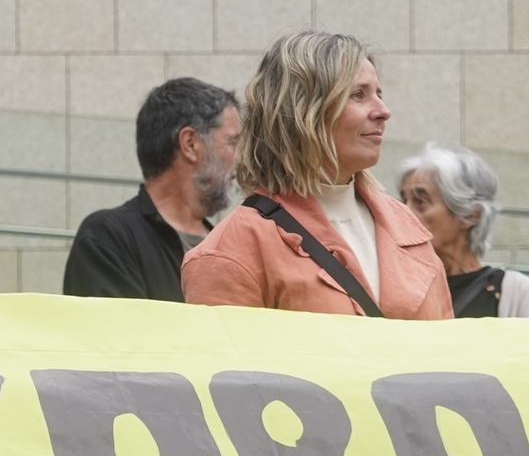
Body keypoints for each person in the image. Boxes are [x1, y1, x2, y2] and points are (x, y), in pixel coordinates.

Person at [182, 32, 453, 320]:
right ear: (301, 111)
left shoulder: (406, 225)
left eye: (379, 94)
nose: (383, 112)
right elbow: (233, 364)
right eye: (358, 95)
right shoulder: (231, 252)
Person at [63, 78, 240, 299]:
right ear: (190, 144)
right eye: (233, 142)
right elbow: (110, 331)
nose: (243, 158)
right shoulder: (108, 237)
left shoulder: (228, 245)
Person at [398, 143, 529, 318]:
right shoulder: (399, 284)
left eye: (421, 201)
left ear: (470, 215)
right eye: (403, 200)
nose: (404, 211)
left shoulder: (512, 290)